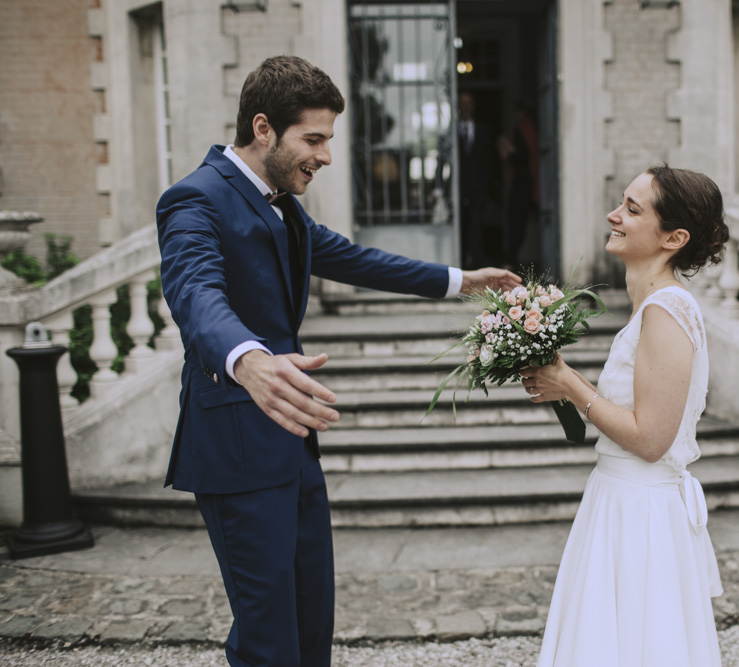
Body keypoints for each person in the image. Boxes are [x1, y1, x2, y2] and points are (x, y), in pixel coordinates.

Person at [156, 55, 520, 667]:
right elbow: (195, 293)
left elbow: (355, 259)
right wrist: (248, 358)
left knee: (310, 621)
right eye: (314, 139)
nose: (325, 155)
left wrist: (462, 280)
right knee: (267, 639)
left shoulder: (283, 205)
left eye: (328, 139)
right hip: (237, 447)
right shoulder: (194, 199)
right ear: (264, 128)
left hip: (294, 443)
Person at [520, 164, 729, 666]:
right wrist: (562, 380)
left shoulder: (666, 310)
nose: (614, 215)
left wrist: (571, 385)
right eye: (621, 203)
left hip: (642, 513)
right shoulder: (652, 305)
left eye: (632, 210)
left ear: (674, 238)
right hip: (616, 499)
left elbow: (651, 439)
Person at [496, 101, 540, 265]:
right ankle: (512, 258)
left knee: (517, 222)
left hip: (524, 182)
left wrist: (509, 151)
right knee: (516, 222)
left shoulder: (524, 130)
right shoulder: (527, 129)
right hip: (526, 181)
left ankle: (511, 259)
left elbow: (523, 156)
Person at [456, 91, 494, 267]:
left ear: (473, 106)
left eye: (468, 103)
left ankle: (478, 264)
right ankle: (460, 262)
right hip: (458, 188)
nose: (466, 107)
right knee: (460, 225)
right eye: (462, 103)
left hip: (478, 188)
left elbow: (488, 160)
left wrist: (488, 187)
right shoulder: (452, 131)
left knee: (477, 226)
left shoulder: (484, 130)